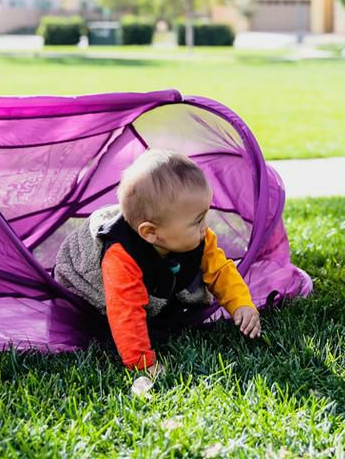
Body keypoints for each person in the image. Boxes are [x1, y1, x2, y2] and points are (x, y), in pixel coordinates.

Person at [55, 149, 260, 371]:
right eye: (197, 220)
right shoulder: (122, 256)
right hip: (88, 281)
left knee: (168, 296)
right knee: (105, 321)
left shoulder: (199, 236)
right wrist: (142, 363)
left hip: (153, 268)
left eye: (205, 214)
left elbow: (220, 270)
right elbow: (125, 311)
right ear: (151, 233)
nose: (206, 226)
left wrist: (241, 304)